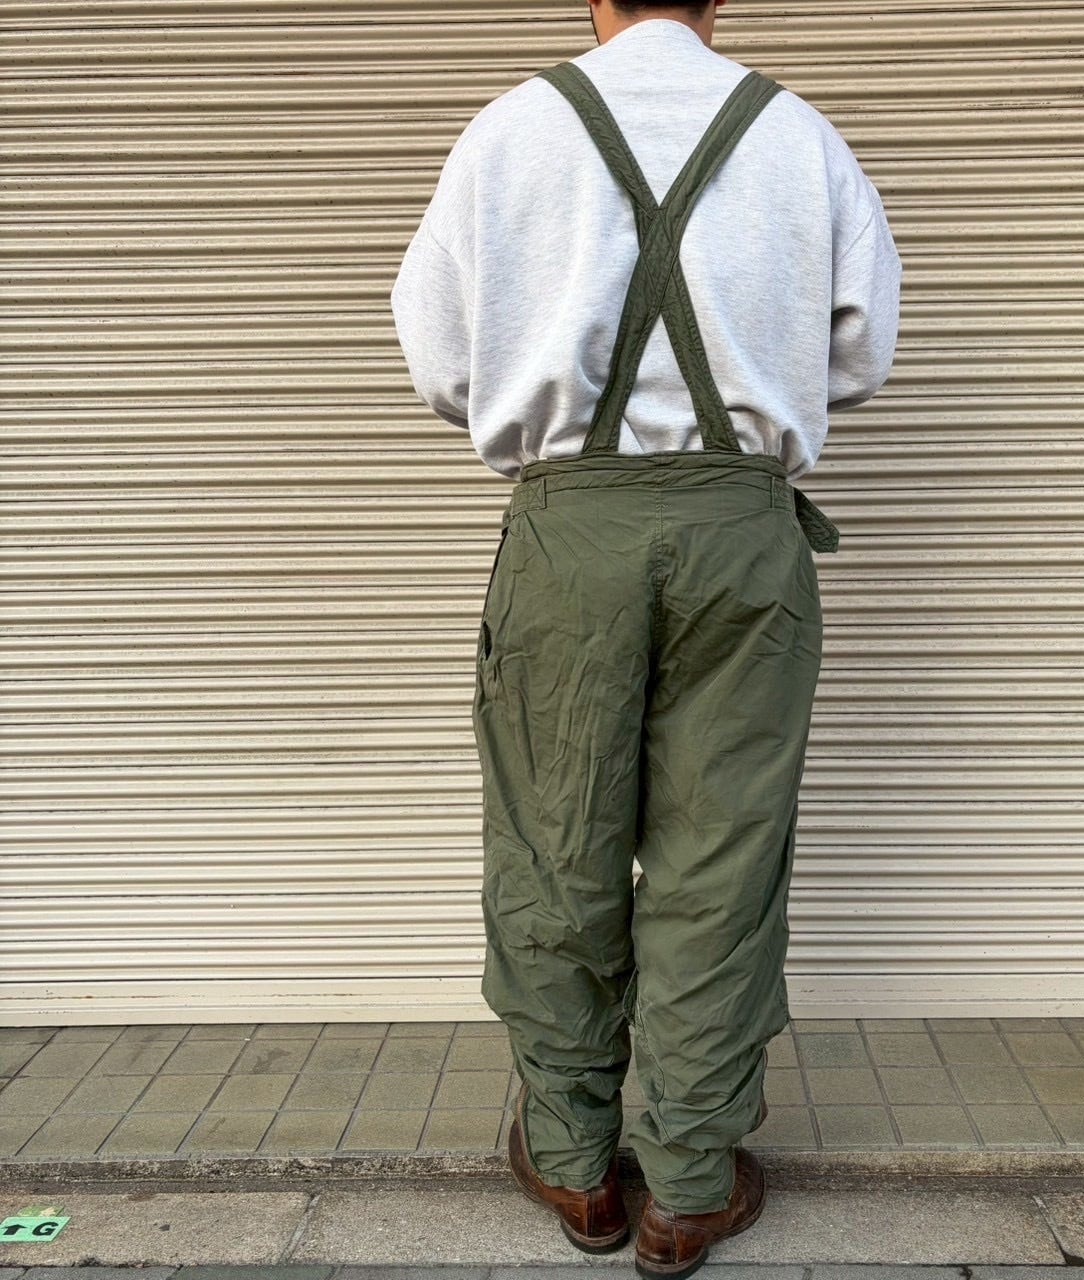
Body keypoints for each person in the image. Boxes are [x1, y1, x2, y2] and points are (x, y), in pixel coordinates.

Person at [390, 0, 901, 1274]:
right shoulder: (798, 135)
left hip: (569, 534)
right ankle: (687, 1182)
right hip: (742, 534)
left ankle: (575, 1163)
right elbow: (858, 355)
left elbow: (440, 363)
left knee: (553, 846)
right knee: (718, 859)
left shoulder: (508, 132)